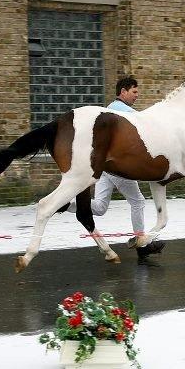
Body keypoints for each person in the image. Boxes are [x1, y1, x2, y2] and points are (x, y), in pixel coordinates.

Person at [68, 76, 165, 258]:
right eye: (134, 92)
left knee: (100, 207)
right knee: (138, 201)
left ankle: (67, 205)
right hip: (118, 166)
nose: (137, 96)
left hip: (106, 166)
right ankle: (141, 245)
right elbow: (144, 124)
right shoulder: (120, 110)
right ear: (123, 92)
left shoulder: (115, 109)